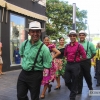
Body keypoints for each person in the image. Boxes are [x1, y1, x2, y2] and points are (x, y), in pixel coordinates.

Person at [17, 21, 52, 100]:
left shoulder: (44, 48)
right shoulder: (24, 43)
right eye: (33, 31)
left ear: (40, 33)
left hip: (35, 75)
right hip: (23, 73)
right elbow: (22, 54)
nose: (35, 34)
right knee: (20, 95)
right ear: (29, 32)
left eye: (37, 31)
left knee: (34, 97)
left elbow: (47, 65)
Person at [64, 30, 86, 100]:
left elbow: (84, 56)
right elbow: (65, 55)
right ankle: (74, 91)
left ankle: (72, 96)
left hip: (76, 65)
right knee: (67, 81)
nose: (72, 37)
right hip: (68, 64)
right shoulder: (67, 46)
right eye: (71, 36)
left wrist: (78, 60)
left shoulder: (79, 46)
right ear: (69, 37)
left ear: (76, 37)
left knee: (75, 80)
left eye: (74, 36)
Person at [77, 30, 96, 94]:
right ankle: (79, 90)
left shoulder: (89, 43)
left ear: (85, 36)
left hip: (86, 62)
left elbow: (94, 52)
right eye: (80, 35)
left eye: (83, 35)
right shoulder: (77, 43)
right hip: (79, 62)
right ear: (79, 36)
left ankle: (90, 87)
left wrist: (89, 58)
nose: (81, 36)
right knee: (79, 76)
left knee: (87, 75)